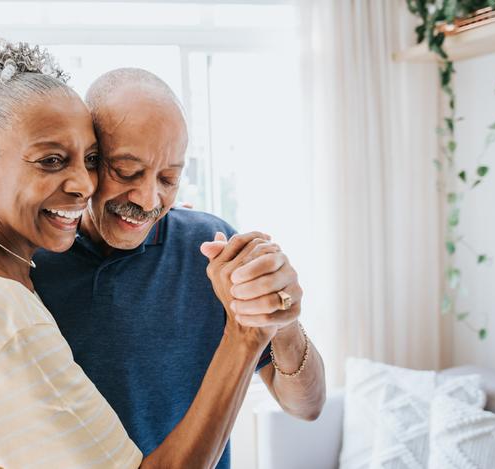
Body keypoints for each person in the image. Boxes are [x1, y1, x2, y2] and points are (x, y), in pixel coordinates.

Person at [0, 37, 293, 469]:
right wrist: (244, 337)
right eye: (51, 160)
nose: (83, 184)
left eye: (91, 159)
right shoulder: (9, 323)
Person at [30, 68, 327, 469]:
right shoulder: (29, 263)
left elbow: (307, 407)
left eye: (169, 178)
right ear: (88, 158)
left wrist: (284, 321)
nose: (148, 197)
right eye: (127, 171)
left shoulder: (212, 247)